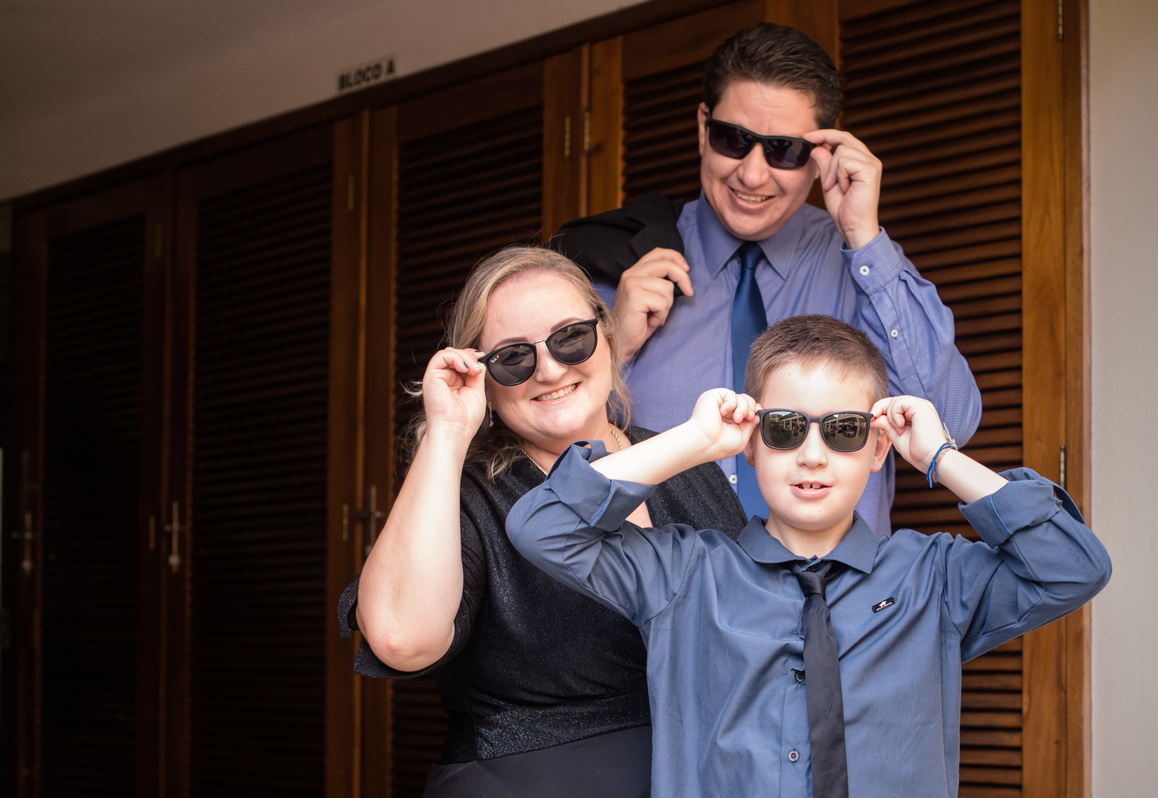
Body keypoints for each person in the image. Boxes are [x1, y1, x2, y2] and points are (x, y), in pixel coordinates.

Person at [507, 315, 1110, 798]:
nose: (814, 456)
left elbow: (1074, 566)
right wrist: (694, 441)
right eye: (786, 428)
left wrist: (939, 456)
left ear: (877, 449)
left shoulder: (937, 579)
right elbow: (541, 526)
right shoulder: (682, 574)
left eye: (844, 430)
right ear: (751, 445)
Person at [337, 246, 745, 797]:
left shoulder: (688, 463)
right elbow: (400, 639)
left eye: (569, 337)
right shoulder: (468, 491)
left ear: (606, 331)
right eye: (512, 357)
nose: (550, 369)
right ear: (482, 375)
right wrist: (448, 433)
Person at [553, 23, 982, 536]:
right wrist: (614, 347)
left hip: (835, 604)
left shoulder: (864, 268)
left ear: (823, 153)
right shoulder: (615, 267)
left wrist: (865, 237)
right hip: (662, 601)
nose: (752, 175)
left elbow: (953, 423)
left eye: (783, 150)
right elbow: (549, 455)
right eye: (733, 140)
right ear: (702, 127)